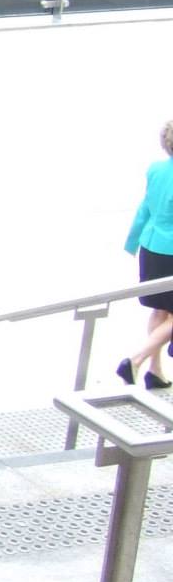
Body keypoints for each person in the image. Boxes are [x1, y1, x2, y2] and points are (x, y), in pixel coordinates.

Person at [120, 121, 173, 390]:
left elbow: (146, 207)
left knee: (160, 310)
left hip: (151, 246)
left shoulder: (156, 169)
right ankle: (136, 359)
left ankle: (156, 371)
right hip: (172, 251)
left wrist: (132, 241)